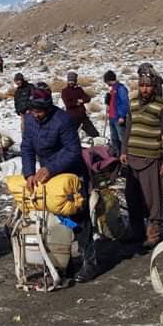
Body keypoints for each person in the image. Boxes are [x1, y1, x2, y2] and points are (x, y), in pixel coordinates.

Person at [21, 85, 99, 283]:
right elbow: (27, 146)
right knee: (58, 217)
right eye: (33, 110)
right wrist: (29, 172)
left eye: (39, 111)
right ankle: (65, 259)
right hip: (48, 176)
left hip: (71, 173)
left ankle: (89, 261)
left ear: (48, 108)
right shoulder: (29, 120)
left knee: (79, 217)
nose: (36, 115)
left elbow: (73, 150)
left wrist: (51, 168)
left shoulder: (63, 120)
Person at [120, 72, 163, 249]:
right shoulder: (133, 103)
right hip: (132, 157)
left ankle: (153, 232)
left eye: (148, 86)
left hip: (151, 158)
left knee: (152, 198)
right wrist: (123, 150)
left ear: (154, 87)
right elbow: (128, 128)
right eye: (142, 85)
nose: (145, 89)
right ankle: (136, 231)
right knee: (132, 196)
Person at [61, 72, 99, 138]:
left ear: (75, 81)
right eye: (70, 80)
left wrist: (81, 100)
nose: (71, 82)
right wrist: (77, 101)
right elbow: (68, 104)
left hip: (82, 117)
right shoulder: (65, 91)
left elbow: (87, 98)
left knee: (95, 134)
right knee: (70, 137)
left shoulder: (79, 89)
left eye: (72, 80)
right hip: (72, 118)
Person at [103, 70, 130, 154]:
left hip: (118, 118)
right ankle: (116, 155)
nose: (106, 83)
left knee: (122, 138)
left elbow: (125, 102)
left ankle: (125, 154)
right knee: (114, 138)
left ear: (109, 80)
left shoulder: (120, 88)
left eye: (106, 81)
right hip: (112, 117)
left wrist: (122, 116)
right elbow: (113, 102)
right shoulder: (113, 89)